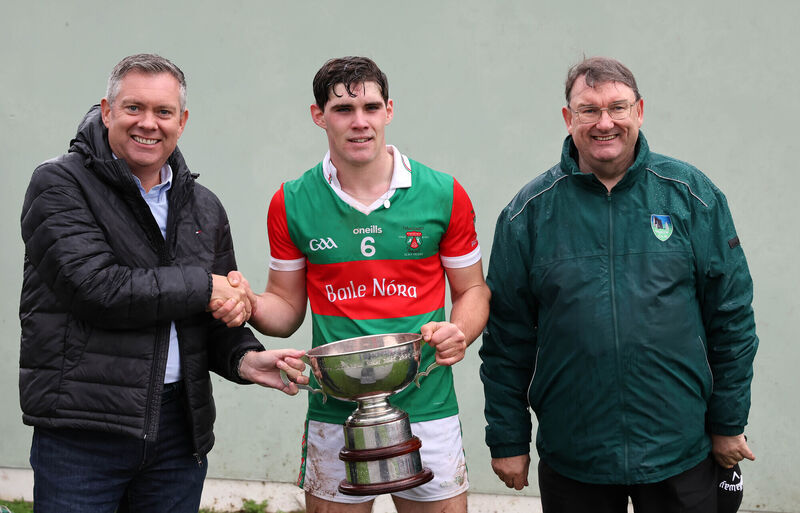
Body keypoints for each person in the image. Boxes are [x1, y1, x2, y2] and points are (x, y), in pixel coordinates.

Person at [19, 53, 307, 513]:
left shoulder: (203, 206)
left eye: (163, 111)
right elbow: (98, 289)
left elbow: (208, 317)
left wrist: (244, 358)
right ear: (107, 111)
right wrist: (207, 287)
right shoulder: (59, 184)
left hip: (178, 433)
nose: (148, 123)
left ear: (182, 121)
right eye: (134, 107)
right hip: (83, 431)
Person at [479, 56, 758, 513]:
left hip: (679, 448)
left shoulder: (692, 196)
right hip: (575, 454)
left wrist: (728, 422)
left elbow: (732, 319)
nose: (604, 122)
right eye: (588, 110)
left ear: (639, 111)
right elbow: (506, 340)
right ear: (568, 118)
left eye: (617, 107)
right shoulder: (527, 214)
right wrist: (508, 439)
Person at [242, 56, 491, 513]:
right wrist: (247, 303)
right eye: (343, 109)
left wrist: (460, 331)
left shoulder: (443, 193)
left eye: (371, 108)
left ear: (388, 111)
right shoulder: (291, 201)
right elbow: (285, 308)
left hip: (427, 401)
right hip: (334, 408)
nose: (360, 122)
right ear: (319, 115)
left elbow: (473, 290)